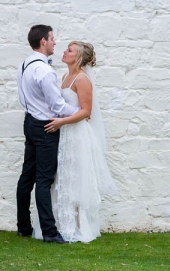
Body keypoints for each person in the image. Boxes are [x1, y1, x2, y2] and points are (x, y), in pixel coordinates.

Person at [35, 41, 117, 243]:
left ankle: (79, 228)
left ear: (78, 56)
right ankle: (63, 225)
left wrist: (62, 121)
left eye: (69, 50)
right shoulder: (64, 77)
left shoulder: (82, 79)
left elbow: (86, 112)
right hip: (64, 134)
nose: (64, 51)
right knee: (63, 178)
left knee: (76, 179)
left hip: (77, 135)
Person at [16, 25, 79, 244]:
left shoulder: (24, 64)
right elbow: (58, 106)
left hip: (30, 121)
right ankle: (50, 232)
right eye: (52, 38)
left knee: (27, 177)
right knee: (44, 179)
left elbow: (23, 98)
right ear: (43, 41)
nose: (55, 42)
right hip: (46, 127)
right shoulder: (44, 71)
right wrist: (81, 113)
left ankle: (23, 226)